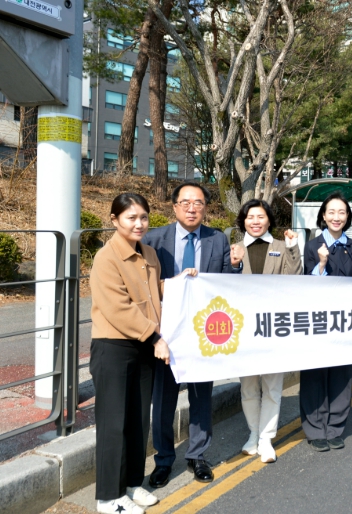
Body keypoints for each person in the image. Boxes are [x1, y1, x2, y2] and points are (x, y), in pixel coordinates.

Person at [90, 193, 196, 514]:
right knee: (114, 425)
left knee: (138, 421)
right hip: (115, 347)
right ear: (114, 220)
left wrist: (174, 283)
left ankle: (132, 484)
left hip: (144, 347)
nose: (139, 224)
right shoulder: (106, 258)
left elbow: (150, 292)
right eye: (131, 218)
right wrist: (155, 337)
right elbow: (118, 307)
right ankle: (108, 497)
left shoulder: (148, 252)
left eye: (144, 217)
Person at [144, 181, 243, 488]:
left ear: (205, 208)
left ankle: (197, 455)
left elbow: (225, 283)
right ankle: (163, 459)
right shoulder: (154, 240)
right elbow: (144, 285)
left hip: (203, 331)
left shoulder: (217, 239)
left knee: (201, 396)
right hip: (166, 333)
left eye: (198, 203)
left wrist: (236, 266)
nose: (191, 208)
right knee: (163, 399)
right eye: (185, 203)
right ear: (174, 206)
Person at [232, 199, 302, 462]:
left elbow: (295, 278)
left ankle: (266, 438)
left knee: (272, 386)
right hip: (244, 329)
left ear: (269, 220)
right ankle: (253, 433)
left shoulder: (282, 247)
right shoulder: (235, 248)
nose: (256, 221)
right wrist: (234, 264)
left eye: (261, 216)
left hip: (274, 327)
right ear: (243, 220)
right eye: (250, 217)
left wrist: (293, 248)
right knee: (248, 386)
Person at [301, 192, 352, 452]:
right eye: (331, 212)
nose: (336, 217)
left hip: (345, 321)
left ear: (348, 216)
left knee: (342, 375)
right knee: (314, 375)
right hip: (318, 322)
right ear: (323, 215)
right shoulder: (312, 246)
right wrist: (321, 263)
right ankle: (315, 429)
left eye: (341, 212)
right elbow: (306, 285)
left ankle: (335, 427)